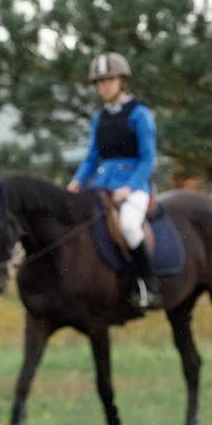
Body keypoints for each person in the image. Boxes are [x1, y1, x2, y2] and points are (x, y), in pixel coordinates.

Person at [68, 51, 161, 310]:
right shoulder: (99, 117)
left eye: (109, 80)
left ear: (122, 81)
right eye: (100, 82)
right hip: (101, 184)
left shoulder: (139, 114)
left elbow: (148, 159)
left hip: (134, 186)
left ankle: (148, 284)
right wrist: (77, 181)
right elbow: (91, 157)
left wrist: (129, 187)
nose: (104, 86)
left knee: (130, 226)